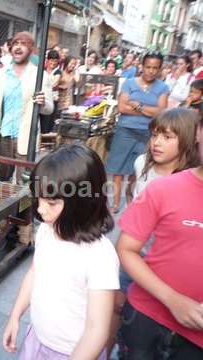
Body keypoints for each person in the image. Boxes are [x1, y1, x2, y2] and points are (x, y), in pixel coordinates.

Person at [2, 144, 119, 359]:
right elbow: (35, 273)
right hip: (37, 337)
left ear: (82, 202)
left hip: (73, 352)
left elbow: (97, 330)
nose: (40, 208)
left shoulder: (100, 256)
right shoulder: (48, 230)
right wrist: (15, 315)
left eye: (51, 202)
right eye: (38, 198)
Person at [107, 108, 200, 357]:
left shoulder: (183, 181)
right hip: (135, 262)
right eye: (154, 135)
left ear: (190, 139)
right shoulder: (142, 164)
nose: (157, 142)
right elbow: (133, 198)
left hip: (159, 265)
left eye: (167, 137)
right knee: (117, 310)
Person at [0, 32, 53, 182]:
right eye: (15, 43)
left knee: (24, 184)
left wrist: (43, 102)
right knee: (2, 181)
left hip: (26, 137)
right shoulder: (2, 74)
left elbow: (49, 108)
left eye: (23, 44)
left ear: (31, 49)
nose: (18, 48)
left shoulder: (39, 75)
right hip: (4, 135)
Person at [106, 52, 169, 214]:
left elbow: (161, 112)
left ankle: (131, 198)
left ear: (160, 69)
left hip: (148, 134)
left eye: (155, 68)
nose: (151, 71)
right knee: (119, 168)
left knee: (139, 168)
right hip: (125, 130)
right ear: (142, 66)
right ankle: (115, 202)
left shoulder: (163, 87)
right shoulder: (129, 83)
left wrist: (138, 106)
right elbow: (121, 108)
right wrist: (149, 111)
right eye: (148, 67)